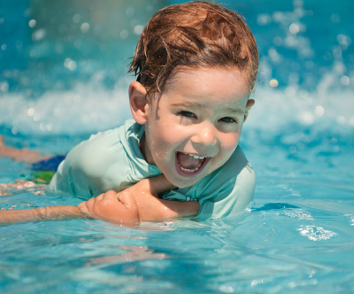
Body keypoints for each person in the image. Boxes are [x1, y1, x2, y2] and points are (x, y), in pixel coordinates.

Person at [0, 1, 259, 226]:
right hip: (60, 170)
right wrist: (93, 215)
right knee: (38, 174)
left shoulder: (233, 180)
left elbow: (213, 250)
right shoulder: (93, 163)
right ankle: (11, 152)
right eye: (188, 113)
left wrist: (144, 217)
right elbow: (48, 220)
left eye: (227, 119)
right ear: (141, 104)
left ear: (244, 116)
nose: (206, 138)